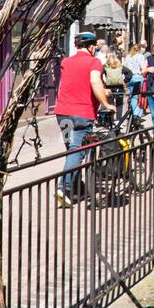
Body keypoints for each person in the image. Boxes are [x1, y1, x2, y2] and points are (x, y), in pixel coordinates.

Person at [54, 32, 112, 207]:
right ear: (92, 47)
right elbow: (95, 82)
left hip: (62, 112)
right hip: (82, 113)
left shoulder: (66, 62)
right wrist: (106, 103)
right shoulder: (94, 62)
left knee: (71, 150)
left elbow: (72, 83)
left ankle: (76, 188)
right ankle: (63, 188)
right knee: (77, 150)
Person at [102, 51, 129, 117]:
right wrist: (125, 80)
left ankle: (111, 120)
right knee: (119, 104)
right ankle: (119, 120)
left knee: (110, 104)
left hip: (109, 87)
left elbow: (99, 74)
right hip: (120, 87)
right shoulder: (120, 66)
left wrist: (103, 82)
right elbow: (129, 73)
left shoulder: (105, 66)